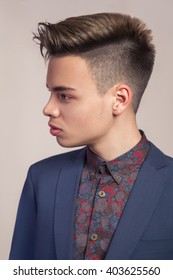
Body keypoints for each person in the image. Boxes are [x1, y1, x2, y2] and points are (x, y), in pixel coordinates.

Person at [9, 12, 173, 260]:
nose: (48, 108)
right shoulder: (41, 179)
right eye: (51, 93)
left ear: (119, 100)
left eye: (64, 95)